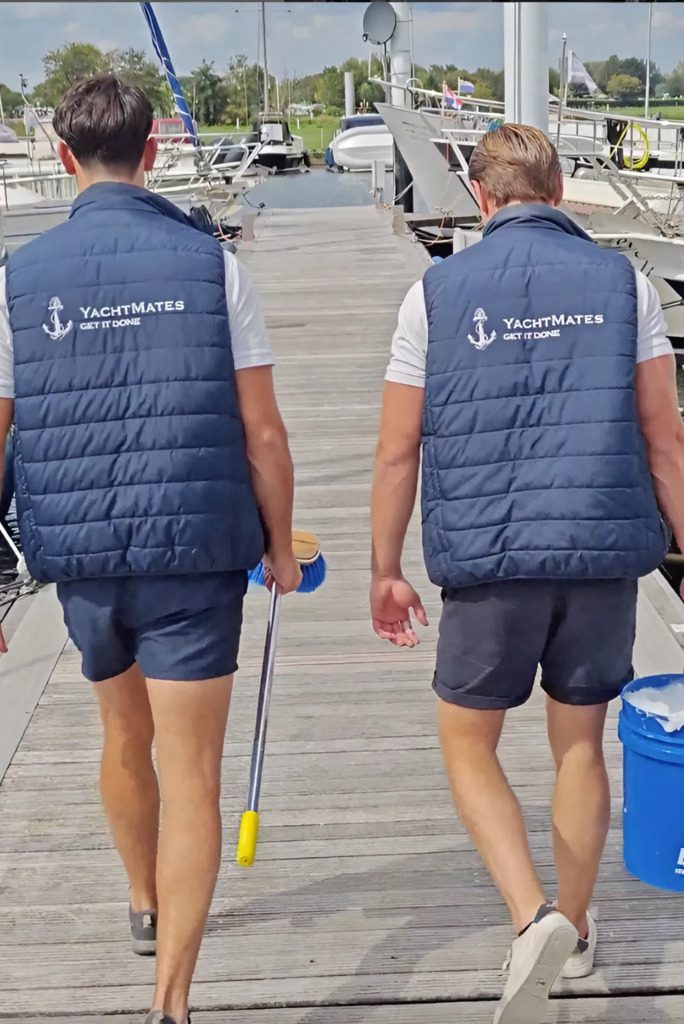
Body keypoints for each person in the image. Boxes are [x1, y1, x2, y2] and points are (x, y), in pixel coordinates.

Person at [0, 75, 302, 1024]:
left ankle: (141, 900)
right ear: (154, 152)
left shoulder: (16, 279)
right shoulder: (214, 266)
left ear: (61, 158)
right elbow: (262, 432)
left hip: (83, 556)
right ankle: (171, 1002)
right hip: (195, 548)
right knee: (194, 772)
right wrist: (282, 546)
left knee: (122, 737)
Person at [370, 124, 683, 1024]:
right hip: (597, 554)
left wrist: (386, 568)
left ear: (481, 197)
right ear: (557, 187)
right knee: (579, 746)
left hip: (488, 559)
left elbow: (398, 454)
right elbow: (665, 439)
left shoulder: (433, 294)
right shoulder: (625, 284)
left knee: (469, 744)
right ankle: (577, 930)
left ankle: (529, 915)